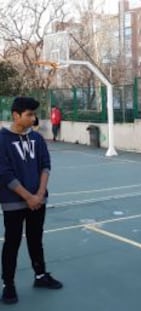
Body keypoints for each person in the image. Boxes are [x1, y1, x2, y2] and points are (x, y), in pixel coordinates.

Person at [0, 97, 63, 305]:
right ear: (16, 115)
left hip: (38, 201)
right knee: (12, 242)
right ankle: (8, 284)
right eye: (29, 114)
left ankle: (40, 276)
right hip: (13, 203)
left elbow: (45, 165)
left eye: (34, 114)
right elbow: (5, 173)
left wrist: (40, 194)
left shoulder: (37, 139)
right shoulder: (2, 140)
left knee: (36, 239)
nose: (33, 118)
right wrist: (28, 197)